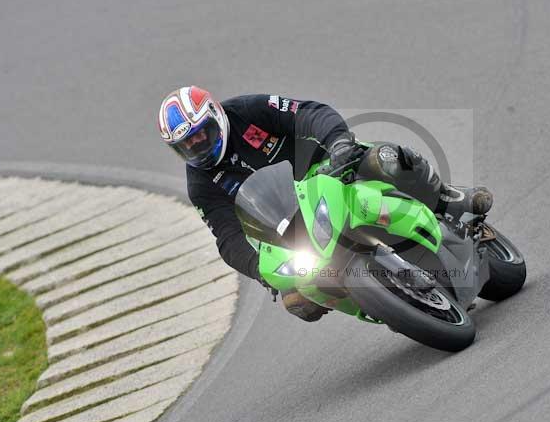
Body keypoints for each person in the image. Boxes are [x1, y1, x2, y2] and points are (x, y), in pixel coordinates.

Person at [157, 86, 492, 321]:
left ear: (215, 116)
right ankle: (390, 306)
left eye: (202, 134)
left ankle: (446, 198)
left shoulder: (248, 111)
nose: (199, 147)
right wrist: (260, 270)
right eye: (188, 145)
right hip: (289, 222)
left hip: (327, 169)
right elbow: (227, 237)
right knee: (299, 299)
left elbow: (310, 113)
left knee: (383, 159)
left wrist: (338, 143)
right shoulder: (201, 185)